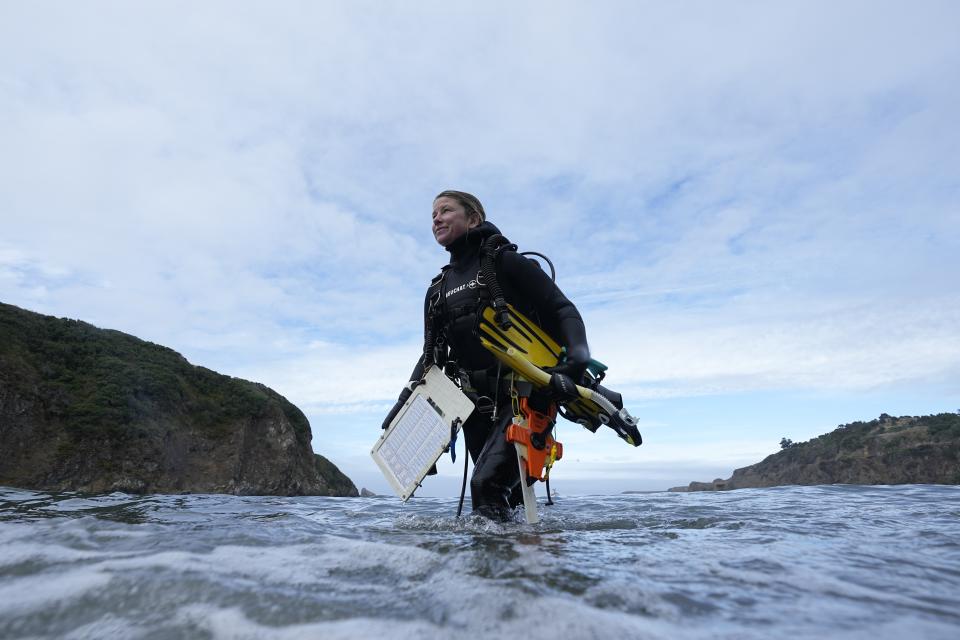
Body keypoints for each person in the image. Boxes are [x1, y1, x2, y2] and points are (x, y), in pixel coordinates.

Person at [382, 190, 591, 520]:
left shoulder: (504, 263)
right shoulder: (437, 291)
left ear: (473, 219)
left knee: (486, 488)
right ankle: (526, 564)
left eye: (445, 210)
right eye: (433, 214)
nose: (436, 218)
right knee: (509, 499)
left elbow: (562, 308)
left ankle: (493, 569)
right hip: (476, 406)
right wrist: (401, 404)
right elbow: (430, 356)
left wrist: (577, 359)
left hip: (527, 395)